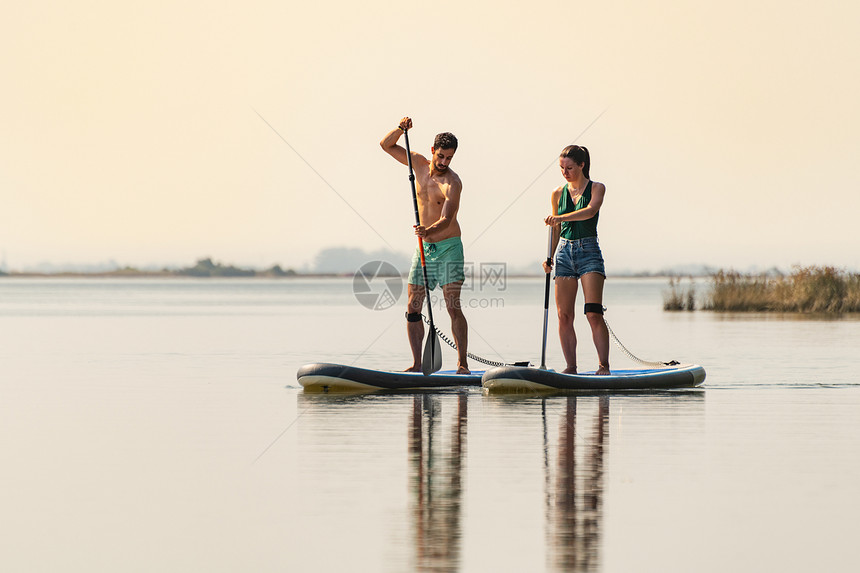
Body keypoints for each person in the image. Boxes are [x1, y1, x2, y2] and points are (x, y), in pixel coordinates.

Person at [380, 117, 470, 374]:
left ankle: (462, 364)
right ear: (432, 151)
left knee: (453, 304)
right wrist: (400, 129)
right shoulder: (418, 163)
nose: (444, 162)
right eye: (441, 156)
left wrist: (427, 231)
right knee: (412, 306)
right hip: (423, 250)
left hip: (449, 246)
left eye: (449, 158)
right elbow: (386, 146)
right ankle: (418, 364)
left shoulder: (452, 183)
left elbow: (447, 219)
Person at [543, 145, 610, 375]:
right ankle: (571, 368)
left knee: (593, 313)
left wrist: (559, 217)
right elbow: (556, 229)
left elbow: (590, 212)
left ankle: (603, 366)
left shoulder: (597, 188)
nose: (565, 172)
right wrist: (549, 257)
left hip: (589, 251)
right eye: (562, 168)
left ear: (582, 165)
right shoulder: (557, 194)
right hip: (563, 253)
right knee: (564, 315)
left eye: (569, 167)